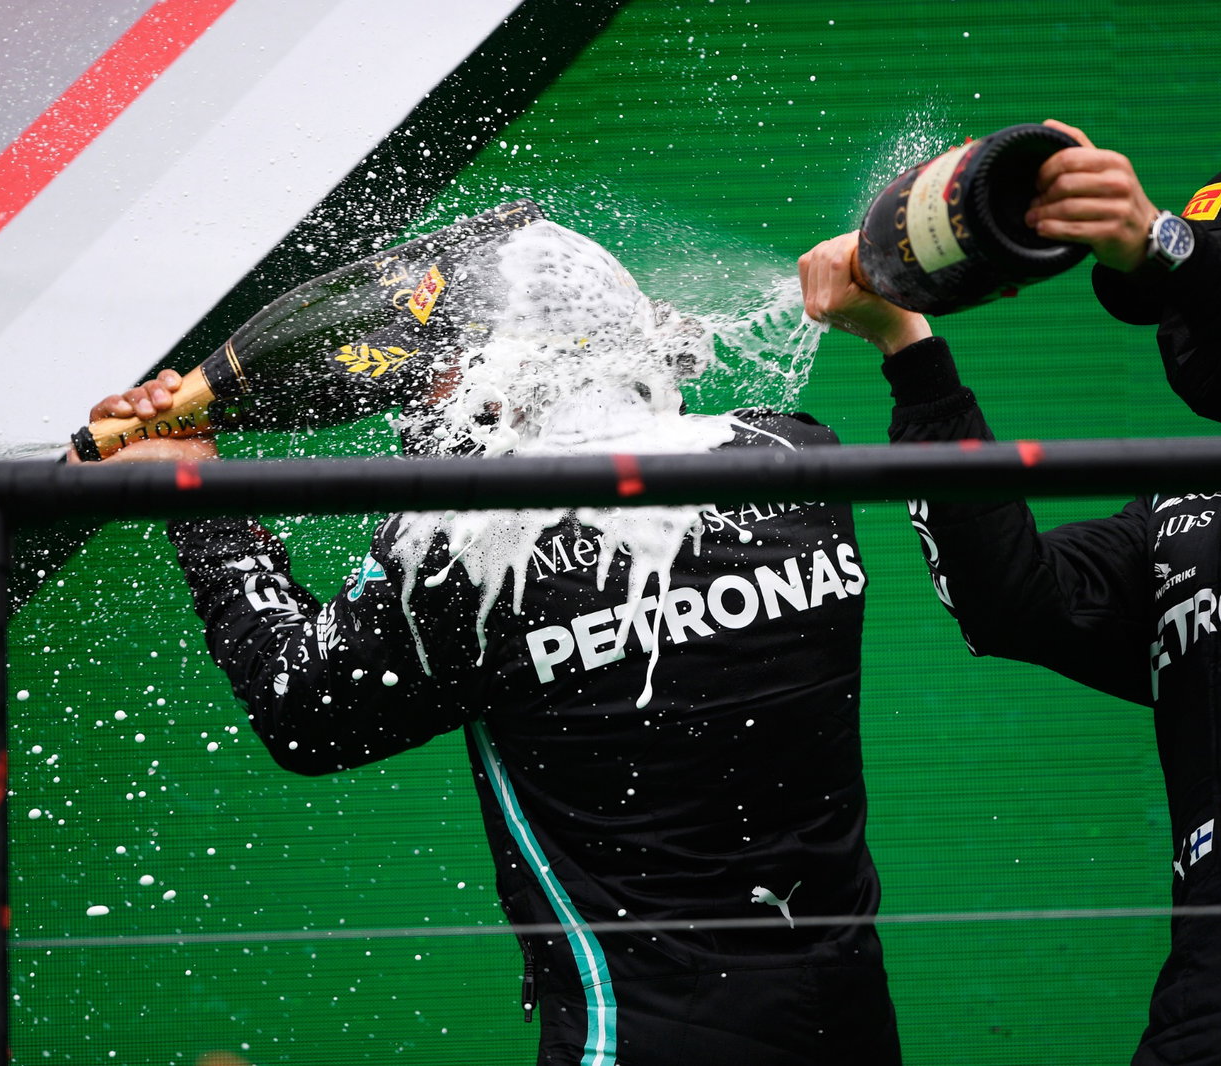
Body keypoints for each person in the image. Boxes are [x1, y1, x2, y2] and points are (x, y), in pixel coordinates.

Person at [82, 217, 901, 1065]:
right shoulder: (792, 455)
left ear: (502, 374)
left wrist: (196, 493)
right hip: (846, 1022)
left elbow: (304, 709)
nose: (414, 406)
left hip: (634, 1035)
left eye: (430, 379)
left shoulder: (471, 547)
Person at [800, 119, 1221, 1065]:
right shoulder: (1186, 507)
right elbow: (1008, 602)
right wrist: (909, 352)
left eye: (1191, 289)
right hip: (1209, 977)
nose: (1176, 323)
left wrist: (1166, 245)